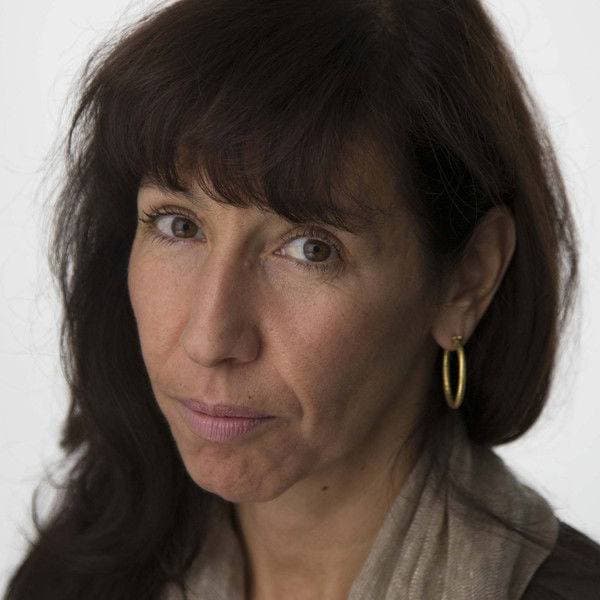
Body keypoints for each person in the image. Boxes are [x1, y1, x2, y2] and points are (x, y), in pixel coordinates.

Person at [4, 0, 600, 599]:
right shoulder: (74, 577)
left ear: (467, 279)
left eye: (311, 249)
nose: (209, 339)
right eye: (178, 225)